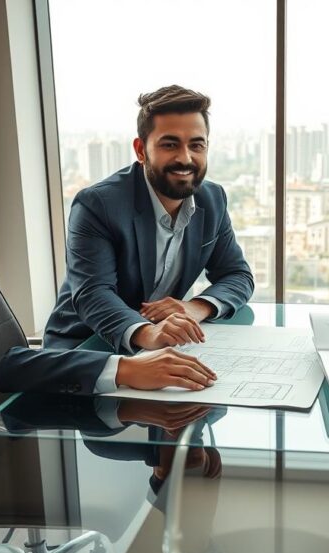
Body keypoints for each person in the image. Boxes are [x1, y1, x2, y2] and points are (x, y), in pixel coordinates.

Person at [44, 85, 254, 354]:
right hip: (87, 348)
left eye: (196, 145)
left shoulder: (212, 199)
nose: (185, 158)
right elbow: (93, 294)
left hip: (162, 345)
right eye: (170, 144)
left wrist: (195, 307)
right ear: (141, 150)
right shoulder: (97, 205)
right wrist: (148, 332)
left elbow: (237, 274)